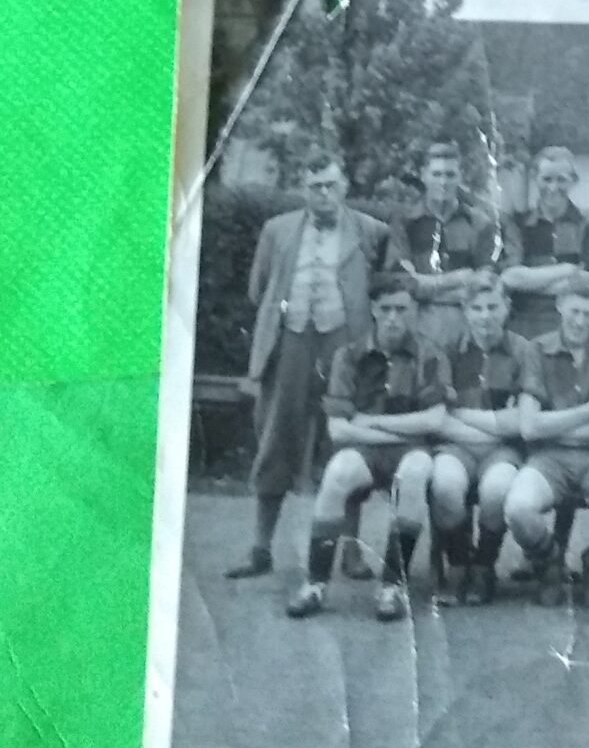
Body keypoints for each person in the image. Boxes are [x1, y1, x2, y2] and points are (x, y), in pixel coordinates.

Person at [231, 155, 391, 579]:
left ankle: (351, 554)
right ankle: (260, 549)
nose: (323, 194)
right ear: (304, 188)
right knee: (275, 437)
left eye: (331, 185)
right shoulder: (277, 230)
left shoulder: (371, 231)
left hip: (344, 346)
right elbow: (259, 289)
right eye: (315, 185)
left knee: (345, 445)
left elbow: (386, 286)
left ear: (345, 186)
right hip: (291, 342)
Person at [284, 272, 448, 623]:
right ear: (373, 309)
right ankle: (315, 583)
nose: (394, 318)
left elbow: (435, 421)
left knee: (416, 472)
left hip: (409, 452)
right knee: (338, 473)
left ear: (415, 311)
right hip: (368, 451)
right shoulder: (350, 356)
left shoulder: (430, 355)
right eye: (386, 309)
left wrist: (371, 423)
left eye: (402, 309)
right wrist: (405, 430)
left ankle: (392, 586)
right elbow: (339, 430)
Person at [507, 272, 589, 603]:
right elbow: (528, 426)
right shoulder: (538, 348)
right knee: (518, 509)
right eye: (574, 312)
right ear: (560, 306)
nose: (581, 322)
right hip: (549, 459)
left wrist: (556, 426)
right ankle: (550, 560)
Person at [427, 271, 542, 605]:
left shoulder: (525, 351)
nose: (486, 316)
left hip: (504, 452)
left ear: (507, 308)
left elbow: (521, 421)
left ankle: (484, 565)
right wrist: (495, 422)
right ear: (465, 311)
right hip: (455, 447)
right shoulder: (447, 351)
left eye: (493, 307)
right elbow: (438, 420)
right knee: (446, 484)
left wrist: (461, 415)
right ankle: (459, 563)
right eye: (477, 308)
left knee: (497, 489)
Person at [403, 138, 501, 351]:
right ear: (423, 175)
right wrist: (458, 279)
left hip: (467, 328)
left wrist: (426, 286)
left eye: (450, 175)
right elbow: (405, 284)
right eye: (436, 174)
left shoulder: (479, 223)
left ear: (460, 176)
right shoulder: (405, 222)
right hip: (418, 325)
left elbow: (484, 284)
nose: (443, 182)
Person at [501, 145, 589, 341]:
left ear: (574, 181)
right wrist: (567, 269)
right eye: (547, 179)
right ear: (535, 178)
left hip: (574, 324)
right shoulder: (518, 224)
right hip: (524, 324)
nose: (553, 188)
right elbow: (510, 277)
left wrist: (531, 281)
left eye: (561, 180)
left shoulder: (588, 225)